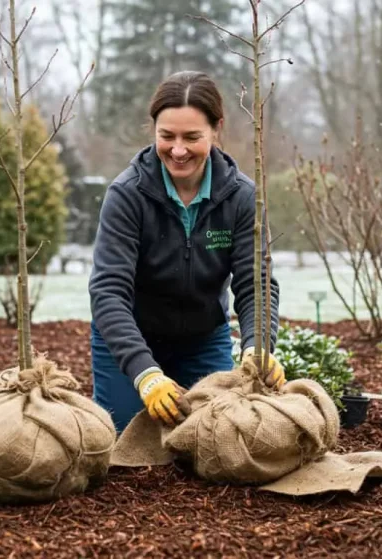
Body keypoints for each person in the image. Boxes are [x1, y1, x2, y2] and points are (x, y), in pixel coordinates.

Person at [88, 70, 283, 433]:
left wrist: (258, 346)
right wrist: (145, 374)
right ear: (154, 132)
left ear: (217, 128)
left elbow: (255, 283)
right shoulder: (127, 195)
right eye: (167, 136)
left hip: (202, 340)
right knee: (127, 437)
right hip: (131, 338)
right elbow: (108, 291)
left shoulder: (241, 197)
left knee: (217, 434)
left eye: (192, 137)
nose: (177, 150)